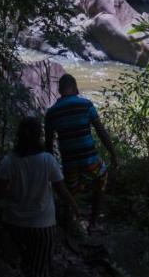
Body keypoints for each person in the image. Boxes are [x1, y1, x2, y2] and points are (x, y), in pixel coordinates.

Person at [0, 115, 78, 277]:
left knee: (29, 267)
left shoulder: (9, 161)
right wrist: (75, 207)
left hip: (14, 226)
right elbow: (61, 191)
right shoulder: (47, 160)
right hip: (42, 228)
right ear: (40, 136)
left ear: (19, 136)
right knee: (39, 276)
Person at [44, 73, 117, 230]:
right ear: (75, 88)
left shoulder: (52, 113)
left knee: (70, 191)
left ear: (59, 90)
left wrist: (52, 169)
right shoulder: (86, 105)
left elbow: (48, 143)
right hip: (90, 161)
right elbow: (101, 132)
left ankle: (70, 223)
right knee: (102, 177)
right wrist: (113, 153)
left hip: (69, 163)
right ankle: (93, 222)